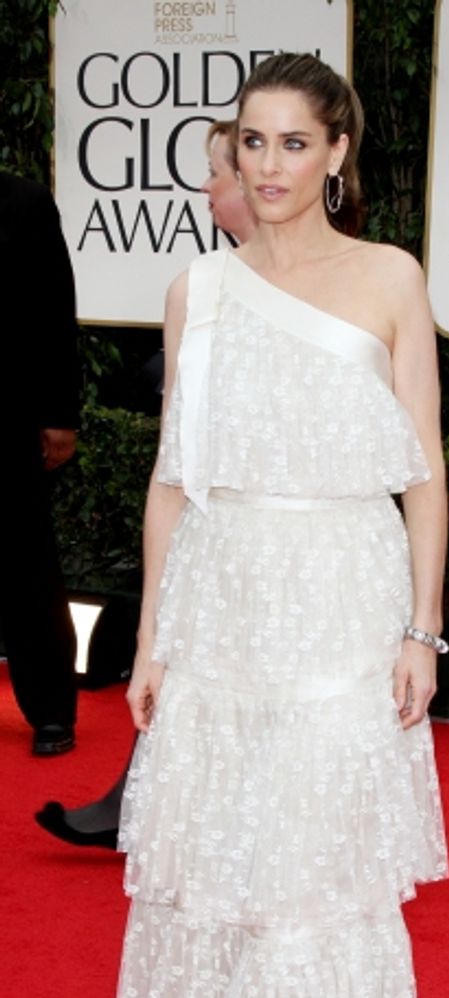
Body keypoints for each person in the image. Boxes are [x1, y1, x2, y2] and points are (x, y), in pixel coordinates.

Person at [107, 54, 448, 998]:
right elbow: (169, 477)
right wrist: (148, 636)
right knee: (217, 870)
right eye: (251, 142)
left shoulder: (390, 279)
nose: (270, 166)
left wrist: (421, 629)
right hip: (222, 598)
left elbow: (423, 474)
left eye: (295, 143)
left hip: (339, 606)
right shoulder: (198, 284)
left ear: (340, 152)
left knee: (307, 875)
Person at [34, 120, 257, 842]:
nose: (207, 186)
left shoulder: (317, 283)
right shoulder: (209, 279)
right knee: (184, 660)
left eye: (215, 172)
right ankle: (141, 799)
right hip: (201, 505)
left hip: (257, 518)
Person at [0, 172, 79, 755]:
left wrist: (59, 415)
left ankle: (52, 710)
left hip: (8, 416)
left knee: (27, 562)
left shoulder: (21, 201)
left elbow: (54, 310)